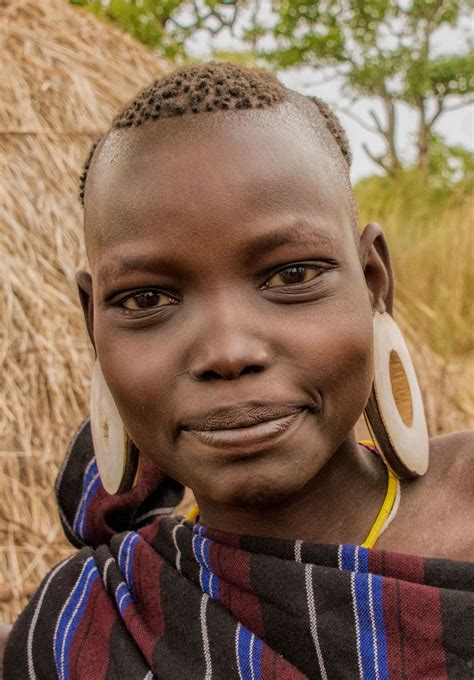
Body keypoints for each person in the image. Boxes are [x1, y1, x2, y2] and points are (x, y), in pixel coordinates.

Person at [3, 63, 473, 679]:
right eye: (147, 300)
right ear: (94, 324)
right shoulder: (77, 630)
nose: (228, 352)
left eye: (292, 275)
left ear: (373, 283)